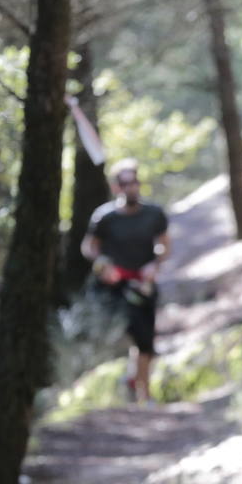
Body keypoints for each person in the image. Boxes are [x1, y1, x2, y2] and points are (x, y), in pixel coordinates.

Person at [82, 159, 171, 405]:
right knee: (132, 335)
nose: (131, 187)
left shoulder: (154, 214)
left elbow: (164, 244)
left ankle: (140, 388)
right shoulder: (105, 217)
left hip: (143, 285)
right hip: (113, 287)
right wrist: (103, 264)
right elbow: (89, 247)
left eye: (134, 182)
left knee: (145, 341)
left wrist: (156, 263)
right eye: (125, 183)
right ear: (116, 187)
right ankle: (132, 389)